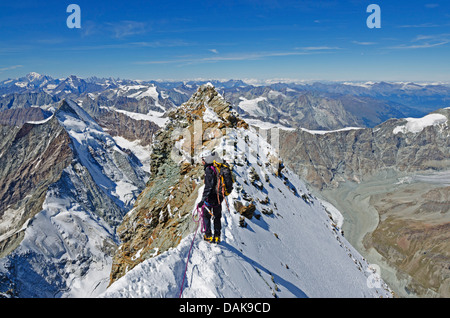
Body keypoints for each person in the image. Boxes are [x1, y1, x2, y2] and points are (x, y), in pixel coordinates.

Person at [197, 151, 223, 243]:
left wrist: (202, 200)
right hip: (219, 197)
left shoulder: (209, 170)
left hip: (211, 197)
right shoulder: (217, 167)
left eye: (203, 159)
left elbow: (209, 186)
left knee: (206, 215)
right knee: (217, 217)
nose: (202, 162)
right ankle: (217, 236)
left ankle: (208, 235)